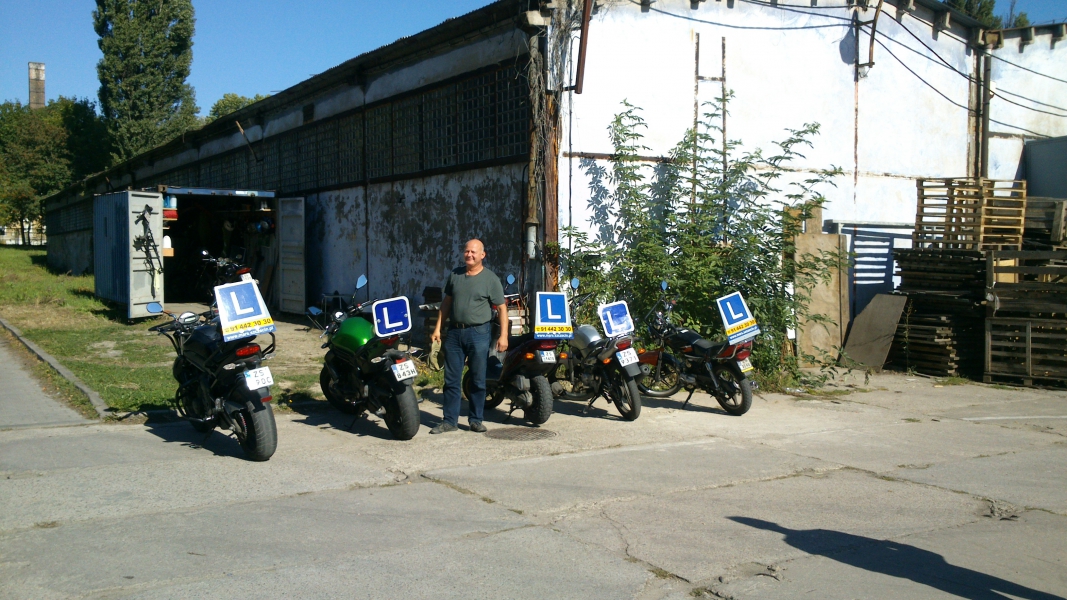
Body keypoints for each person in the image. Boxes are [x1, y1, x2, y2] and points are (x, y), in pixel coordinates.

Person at [430, 239, 508, 434]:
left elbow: (501, 308)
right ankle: (449, 421)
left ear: (482, 255)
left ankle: (475, 420)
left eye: (474, 252)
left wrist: (504, 336)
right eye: (467, 251)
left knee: (478, 380)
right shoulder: (455, 275)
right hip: (454, 333)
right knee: (451, 379)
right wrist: (438, 328)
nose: (469, 255)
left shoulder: (490, 279)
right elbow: (446, 303)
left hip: (479, 333)